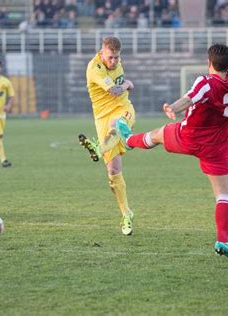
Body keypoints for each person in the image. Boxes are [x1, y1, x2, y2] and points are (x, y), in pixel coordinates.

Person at [115, 10, 228, 261]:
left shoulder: (206, 82)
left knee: (159, 134)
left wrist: (172, 108)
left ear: (209, 62)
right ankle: (222, 240)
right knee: (223, 195)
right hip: (217, 146)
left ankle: (128, 140)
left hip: (189, 136)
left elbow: (189, 98)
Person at [78, 37, 136, 236]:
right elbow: (113, 90)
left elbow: (118, 95)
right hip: (102, 118)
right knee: (113, 172)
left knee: (117, 124)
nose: (113, 61)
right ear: (101, 52)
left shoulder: (117, 60)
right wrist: (128, 83)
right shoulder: (95, 68)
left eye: (116, 57)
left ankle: (107, 144)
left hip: (123, 109)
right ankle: (126, 214)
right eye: (110, 57)